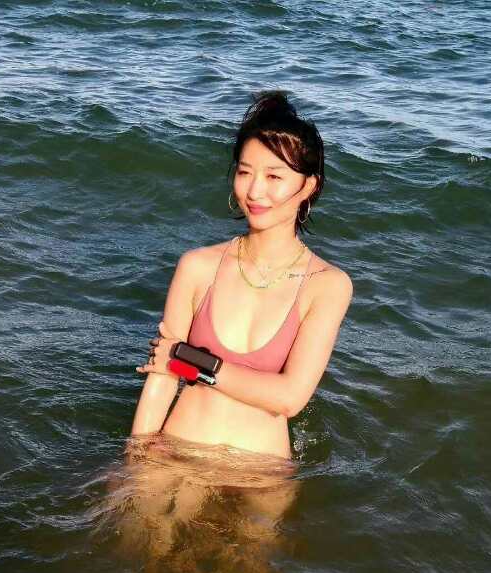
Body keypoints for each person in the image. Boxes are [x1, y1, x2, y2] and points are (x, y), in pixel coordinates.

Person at [131, 90, 352, 462]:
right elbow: (162, 376)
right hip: (178, 451)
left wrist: (194, 360)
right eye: (245, 172)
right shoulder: (198, 266)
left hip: (262, 471)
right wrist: (136, 456)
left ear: (308, 186)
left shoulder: (327, 285)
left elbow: (290, 398)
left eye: (274, 176)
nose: (255, 190)